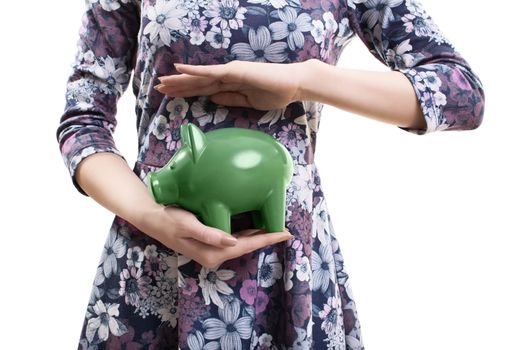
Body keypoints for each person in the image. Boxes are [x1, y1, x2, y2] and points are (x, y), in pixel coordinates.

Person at [56, 0, 484, 348]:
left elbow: (460, 95)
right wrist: (151, 216)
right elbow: (83, 121)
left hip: (283, 257)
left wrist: (306, 81)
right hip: (155, 255)